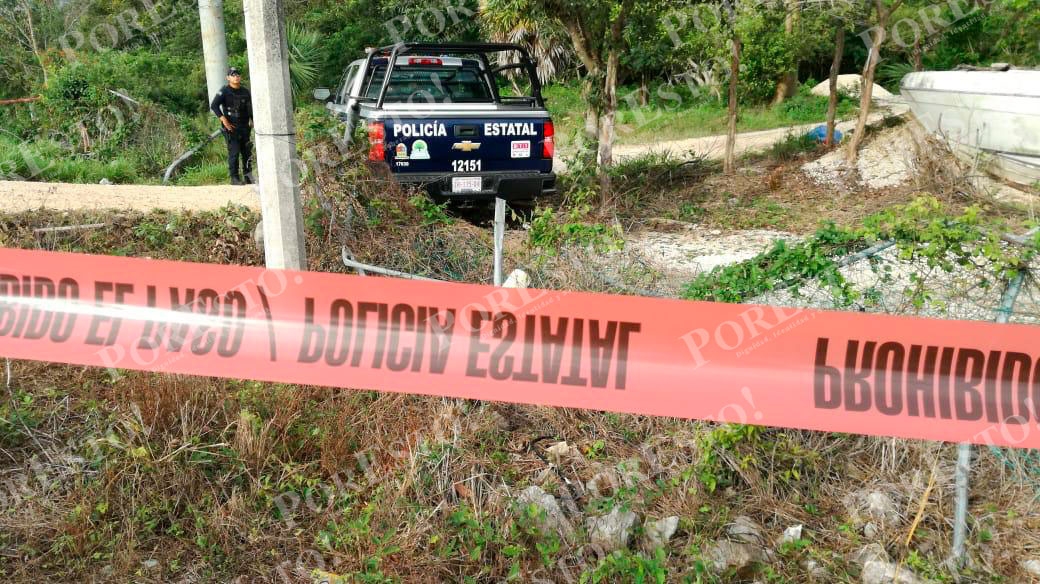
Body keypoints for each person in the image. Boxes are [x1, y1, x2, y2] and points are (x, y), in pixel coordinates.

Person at [210, 67, 253, 185]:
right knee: (234, 152)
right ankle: (234, 178)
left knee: (247, 152)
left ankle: (248, 177)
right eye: (233, 75)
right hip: (231, 127)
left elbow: (250, 108)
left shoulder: (245, 91)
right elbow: (214, 106)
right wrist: (224, 120)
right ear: (228, 78)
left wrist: (252, 119)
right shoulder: (224, 91)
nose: (236, 77)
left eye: (238, 74)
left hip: (244, 126)